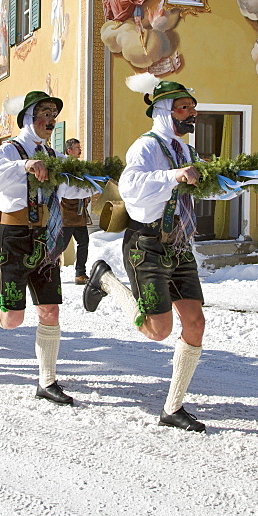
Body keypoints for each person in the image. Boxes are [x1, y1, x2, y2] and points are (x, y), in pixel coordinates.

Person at [82, 77, 211, 432]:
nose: (192, 114)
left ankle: (173, 408)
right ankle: (106, 280)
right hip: (148, 244)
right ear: (166, 112)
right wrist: (173, 176)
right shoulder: (145, 146)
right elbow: (131, 186)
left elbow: (199, 186)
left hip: (179, 244)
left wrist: (234, 181)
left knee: (195, 323)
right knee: (158, 330)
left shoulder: (187, 150)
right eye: (185, 108)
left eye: (192, 107)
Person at [0, 91, 95, 405]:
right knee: (12, 319)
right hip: (14, 237)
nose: (51, 121)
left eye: (54, 115)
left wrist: (96, 180)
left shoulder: (53, 155)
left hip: (46, 238)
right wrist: (24, 165)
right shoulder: (9, 149)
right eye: (45, 114)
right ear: (29, 118)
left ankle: (47, 382)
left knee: (50, 310)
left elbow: (67, 185)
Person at [61, 138, 93, 285]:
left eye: (80, 147)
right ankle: (48, 272)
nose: (80, 150)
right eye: (77, 148)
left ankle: (80, 274)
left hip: (79, 213)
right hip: (66, 213)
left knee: (83, 243)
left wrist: (87, 196)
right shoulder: (63, 166)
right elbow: (64, 189)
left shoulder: (80, 166)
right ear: (69, 151)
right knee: (60, 245)